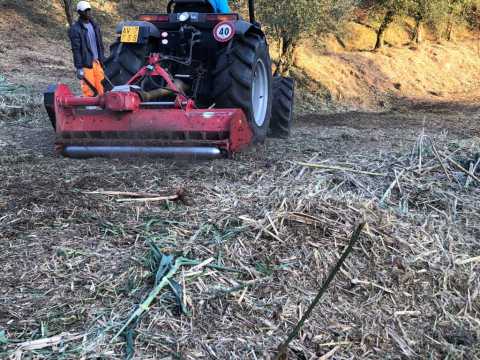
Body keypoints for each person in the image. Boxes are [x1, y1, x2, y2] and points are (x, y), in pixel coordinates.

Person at [68, 1, 105, 97]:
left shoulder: (95, 26)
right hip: (86, 64)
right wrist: (79, 67)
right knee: (89, 90)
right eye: (85, 11)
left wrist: (102, 60)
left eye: (89, 10)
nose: (88, 12)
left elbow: (100, 45)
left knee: (102, 88)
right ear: (79, 12)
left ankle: (103, 110)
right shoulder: (75, 29)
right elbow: (76, 50)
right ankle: (90, 109)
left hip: (97, 62)